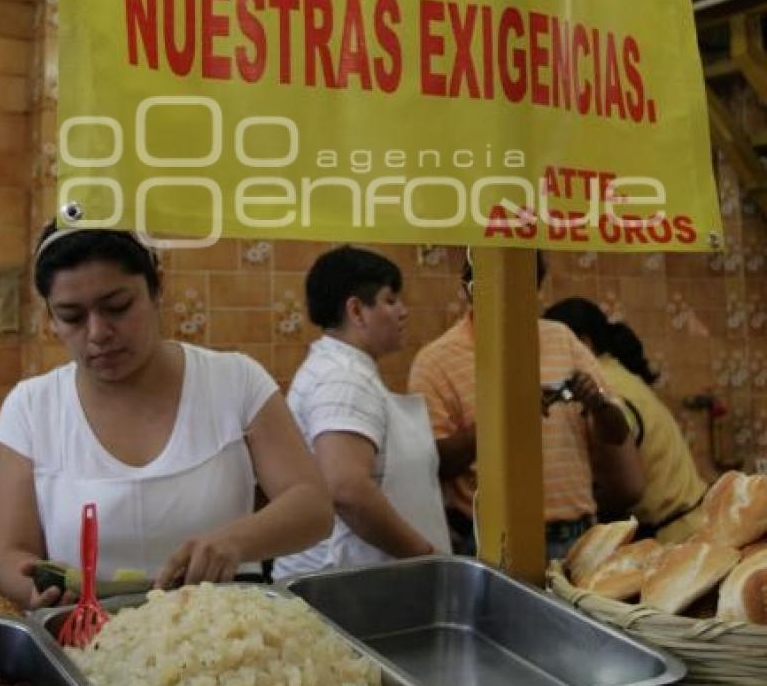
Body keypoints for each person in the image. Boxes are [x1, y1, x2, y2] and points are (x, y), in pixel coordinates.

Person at [0, 223, 333, 609]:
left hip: (226, 634)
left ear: (156, 290)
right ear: (50, 318)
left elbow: (313, 506)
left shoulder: (235, 380)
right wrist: (36, 586)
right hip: (87, 638)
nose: (98, 332)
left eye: (118, 307)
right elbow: (10, 554)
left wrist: (236, 540)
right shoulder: (31, 408)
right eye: (72, 316)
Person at [408, 256, 644, 560]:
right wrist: (506, 415)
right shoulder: (436, 361)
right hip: (494, 544)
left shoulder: (562, 339)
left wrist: (597, 404)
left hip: (578, 538)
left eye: (524, 286)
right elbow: (433, 463)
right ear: (469, 289)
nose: (512, 296)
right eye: (495, 286)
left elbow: (617, 433)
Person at [273, 246, 451, 578]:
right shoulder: (343, 378)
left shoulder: (340, 368)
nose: (403, 311)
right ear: (356, 311)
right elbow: (347, 489)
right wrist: (426, 557)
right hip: (339, 583)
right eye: (390, 299)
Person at [543, 298, 707, 542]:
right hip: (692, 523)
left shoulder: (606, 387)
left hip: (671, 538)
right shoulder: (620, 374)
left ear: (583, 343)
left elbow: (627, 489)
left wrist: (577, 510)